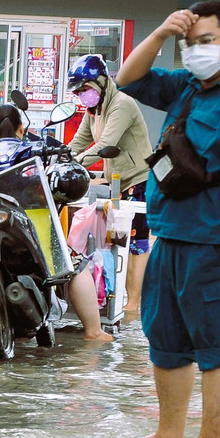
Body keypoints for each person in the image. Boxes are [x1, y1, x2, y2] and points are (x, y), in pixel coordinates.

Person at [116, 0, 220, 438]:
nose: (196, 51)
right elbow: (128, 79)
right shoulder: (188, 85)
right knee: (164, 338)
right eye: (190, 44)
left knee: (217, 344)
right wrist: (161, 34)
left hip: (217, 243)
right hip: (169, 235)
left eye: (205, 42)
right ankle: (169, 432)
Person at [0, 104, 112, 343]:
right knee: (74, 263)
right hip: (29, 234)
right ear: (21, 129)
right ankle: (94, 332)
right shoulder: (32, 152)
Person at [66, 54, 154, 314]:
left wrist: (78, 162)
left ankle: (135, 304)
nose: (83, 95)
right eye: (79, 91)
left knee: (137, 243)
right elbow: (78, 143)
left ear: (102, 82)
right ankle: (122, 299)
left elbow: (105, 145)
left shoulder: (121, 104)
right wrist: (60, 157)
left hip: (139, 181)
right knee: (118, 241)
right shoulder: (94, 110)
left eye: (86, 88)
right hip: (117, 185)